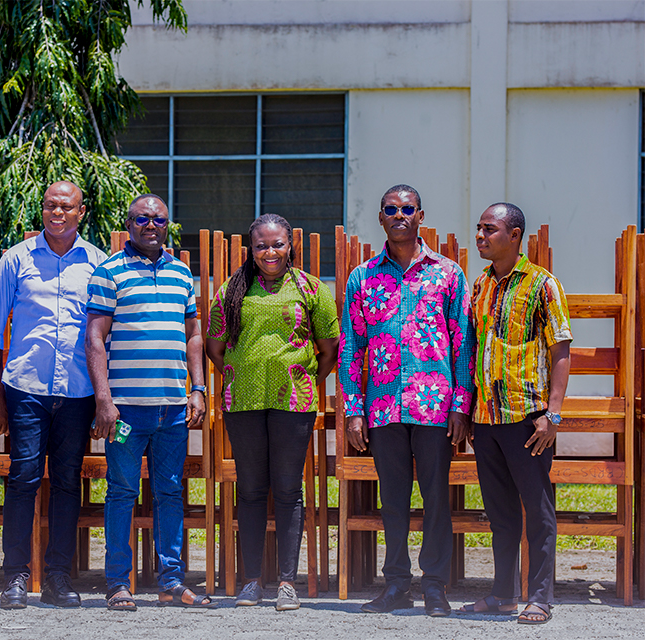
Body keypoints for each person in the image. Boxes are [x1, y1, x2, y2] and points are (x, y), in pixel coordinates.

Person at [338, 184, 474, 617]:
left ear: (420, 216)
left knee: (435, 498)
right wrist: (354, 410)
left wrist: (461, 404)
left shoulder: (448, 273)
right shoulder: (363, 277)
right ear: (380, 217)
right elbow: (350, 348)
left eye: (408, 208)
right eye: (391, 209)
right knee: (392, 500)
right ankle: (396, 583)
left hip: (434, 407)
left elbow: (463, 343)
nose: (400, 215)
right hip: (383, 408)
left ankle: (435, 585)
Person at [205, 213, 339, 611]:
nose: (270, 252)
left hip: (293, 402)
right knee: (249, 490)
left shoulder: (311, 287)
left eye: (277, 244)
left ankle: (285, 582)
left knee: (287, 490)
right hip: (242, 402)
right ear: (251, 247)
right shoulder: (232, 289)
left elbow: (329, 346)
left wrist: (304, 375)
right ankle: (251, 582)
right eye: (261, 245)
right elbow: (215, 345)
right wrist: (238, 372)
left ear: (290, 245)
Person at [85, 193, 211, 611]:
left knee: (170, 492)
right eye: (142, 218)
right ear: (129, 223)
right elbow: (95, 338)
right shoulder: (109, 272)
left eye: (158, 219)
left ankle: (171, 582)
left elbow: (194, 335)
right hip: (125, 409)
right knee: (121, 491)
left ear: (168, 224)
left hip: (173, 407)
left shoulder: (180, 274)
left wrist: (198, 388)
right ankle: (117, 583)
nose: (151, 225)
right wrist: (104, 399)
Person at [0, 181, 107, 608]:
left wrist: (101, 398)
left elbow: (104, 335)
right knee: (21, 479)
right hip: (25, 388)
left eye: (66, 206)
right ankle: (15, 577)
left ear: (81, 211)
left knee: (66, 482)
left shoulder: (98, 263)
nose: (58, 212)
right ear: (43, 209)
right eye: (51, 205)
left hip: (77, 393)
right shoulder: (15, 259)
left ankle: (57, 576)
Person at [458, 203, 571, 625]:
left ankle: (540, 597)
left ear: (515, 235)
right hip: (486, 419)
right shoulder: (480, 285)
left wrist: (553, 415)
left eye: (490, 229)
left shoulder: (543, 285)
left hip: (527, 419)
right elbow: (473, 351)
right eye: (479, 228)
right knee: (500, 514)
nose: (481, 236)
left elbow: (561, 350)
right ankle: (503, 594)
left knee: (537, 511)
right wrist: (468, 410)